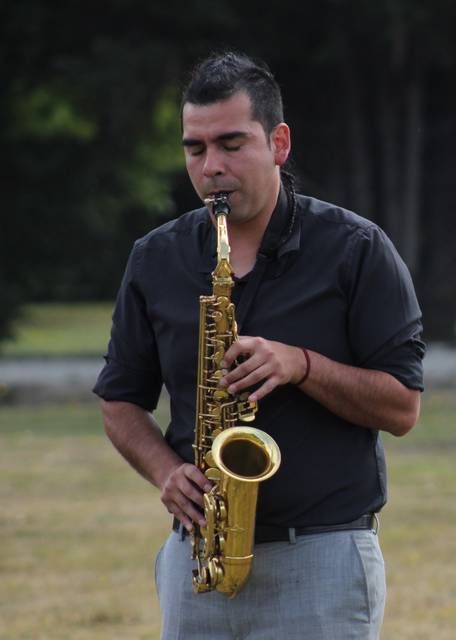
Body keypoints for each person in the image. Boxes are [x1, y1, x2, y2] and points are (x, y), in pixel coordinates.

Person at [94, 51, 424, 639]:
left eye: (231, 144)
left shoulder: (356, 249)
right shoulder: (156, 258)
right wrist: (166, 472)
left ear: (279, 142)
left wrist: (302, 365)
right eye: (195, 149)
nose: (211, 167)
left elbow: (402, 408)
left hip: (321, 558)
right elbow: (120, 401)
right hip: (198, 559)